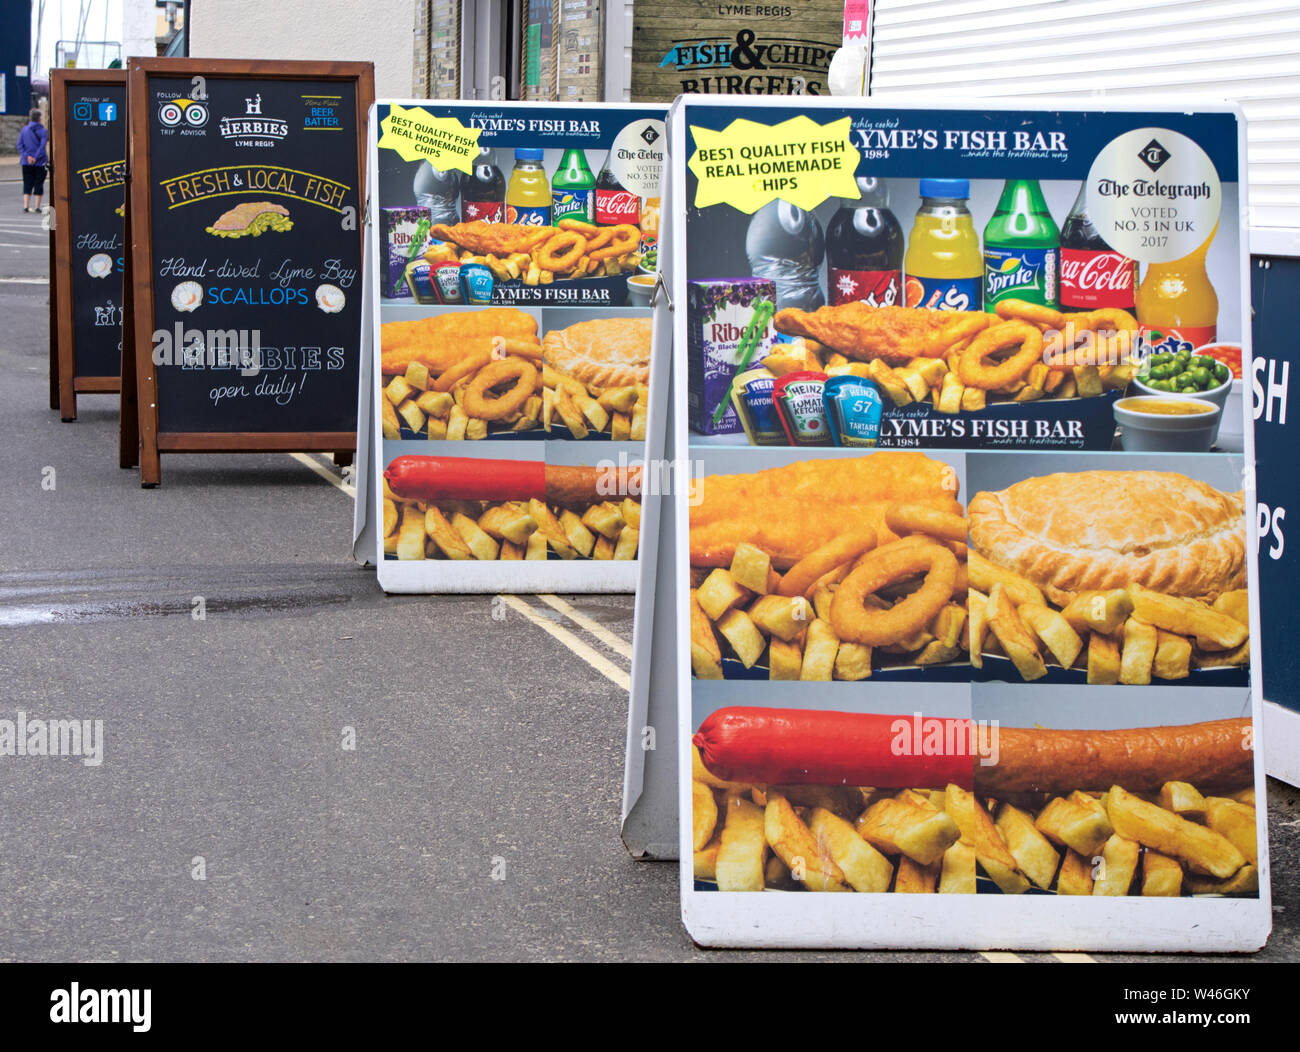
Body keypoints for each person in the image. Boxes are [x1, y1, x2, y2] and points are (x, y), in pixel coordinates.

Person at [18, 109, 49, 213]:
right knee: (39, 183)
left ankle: (26, 206)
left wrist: (27, 157)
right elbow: (42, 146)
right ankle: (37, 206)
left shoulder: (24, 130)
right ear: (40, 118)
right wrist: (35, 157)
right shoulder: (43, 131)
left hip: (26, 162)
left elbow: (20, 145)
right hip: (40, 162)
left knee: (27, 182)